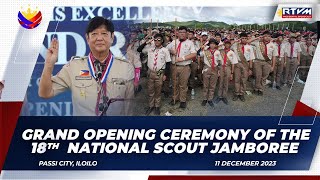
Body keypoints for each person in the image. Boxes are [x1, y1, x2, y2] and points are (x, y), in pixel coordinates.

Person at [38, 16, 136, 116]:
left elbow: (129, 108)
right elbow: (45, 93)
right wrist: (49, 64)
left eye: (104, 34)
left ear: (112, 37)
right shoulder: (73, 66)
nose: (99, 38)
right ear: (87, 38)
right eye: (94, 34)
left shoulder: (126, 68)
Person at [167, 26, 196, 109]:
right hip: (174, 66)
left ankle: (182, 100)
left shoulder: (190, 43)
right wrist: (171, 51)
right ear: (177, 33)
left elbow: (194, 54)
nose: (182, 34)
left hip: (184, 67)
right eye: (180, 32)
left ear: (186, 33)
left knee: (183, 85)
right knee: (174, 83)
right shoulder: (173, 42)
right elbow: (165, 49)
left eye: (183, 32)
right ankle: (174, 98)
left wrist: (182, 58)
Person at [142, 33, 171, 115]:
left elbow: (168, 63)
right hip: (151, 72)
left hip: (160, 72)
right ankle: (151, 106)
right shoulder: (150, 49)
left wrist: (165, 75)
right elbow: (139, 50)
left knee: (158, 90)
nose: (157, 41)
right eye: (155, 40)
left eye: (159, 40)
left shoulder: (165, 50)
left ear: (162, 41)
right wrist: (146, 42)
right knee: (150, 90)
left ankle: (157, 106)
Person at [250, 31, 277, 95]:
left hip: (267, 62)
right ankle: (257, 89)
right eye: (265, 36)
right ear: (263, 37)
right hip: (258, 62)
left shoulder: (273, 45)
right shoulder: (257, 43)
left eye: (268, 36)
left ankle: (260, 88)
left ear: (270, 37)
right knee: (257, 75)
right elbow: (248, 42)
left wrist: (272, 66)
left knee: (264, 76)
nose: (267, 37)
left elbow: (274, 57)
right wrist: (258, 37)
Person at [231, 32, 254, 101]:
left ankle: (241, 93)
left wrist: (250, 68)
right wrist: (236, 41)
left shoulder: (249, 47)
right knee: (237, 79)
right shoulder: (235, 46)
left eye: (245, 38)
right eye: (242, 38)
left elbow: (251, 58)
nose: (243, 39)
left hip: (245, 64)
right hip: (237, 63)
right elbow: (228, 46)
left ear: (247, 39)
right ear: (240, 38)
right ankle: (236, 93)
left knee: (244, 80)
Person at [214, 39, 238, 105]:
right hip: (221, 67)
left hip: (228, 68)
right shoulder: (220, 51)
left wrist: (232, 73)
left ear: (230, 45)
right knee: (220, 82)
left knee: (226, 82)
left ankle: (224, 96)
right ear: (224, 44)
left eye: (228, 44)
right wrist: (218, 70)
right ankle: (219, 96)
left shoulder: (232, 53)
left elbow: (233, 63)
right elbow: (218, 62)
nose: (227, 45)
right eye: (226, 43)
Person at [200, 39, 222, 107]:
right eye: (211, 44)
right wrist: (203, 47)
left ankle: (210, 99)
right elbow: (200, 54)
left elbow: (219, 62)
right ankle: (204, 98)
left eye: (214, 44)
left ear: (216, 45)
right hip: (207, 68)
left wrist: (218, 70)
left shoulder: (218, 52)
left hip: (215, 69)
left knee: (212, 85)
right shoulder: (205, 51)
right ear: (209, 44)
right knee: (205, 85)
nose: (212, 45)